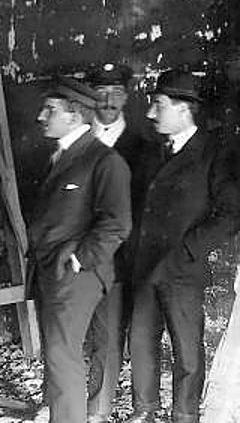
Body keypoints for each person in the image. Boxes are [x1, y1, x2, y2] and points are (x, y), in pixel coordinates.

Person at [128, 70, 240, 423]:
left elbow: (230, 214)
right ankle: (144, 409)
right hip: (145, 264)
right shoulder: (152, 151)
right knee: (141, 340)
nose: (149, 114)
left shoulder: (213, 154)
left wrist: (188, 251)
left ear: (183, 109)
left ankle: (184, 415)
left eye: (157, 105)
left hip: (182, 269)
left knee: (186, 349)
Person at [28, 77, 131, 423]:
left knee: (62, 353)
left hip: (76, 274)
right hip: (54, 270)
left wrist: (78, 259)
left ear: (74, 116)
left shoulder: (104, 160)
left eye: (50, 110)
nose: (42, 116)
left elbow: (117, 223)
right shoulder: (62, 156)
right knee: (59, 352)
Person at [84, 62, 146, 423]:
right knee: (68, 328)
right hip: (76, 257)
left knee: (107, 334)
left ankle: (98, 408)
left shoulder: (141, 147)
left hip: (116, 260)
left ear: (126, 96)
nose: (107, 100)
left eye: (116, 93)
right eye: (100, 92)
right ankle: (59, 400)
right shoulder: (76, 140)